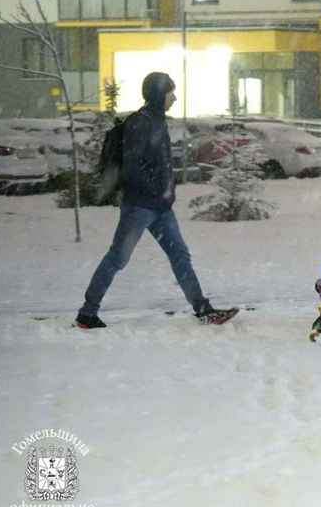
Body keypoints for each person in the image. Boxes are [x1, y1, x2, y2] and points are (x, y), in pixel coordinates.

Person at [74, 72, 236, 329]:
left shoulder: (158, 121)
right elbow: (133, 167)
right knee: (118, 258)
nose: (174, 97)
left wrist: (166, 192)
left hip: (160, 207)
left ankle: (202, 308)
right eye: (170, 92)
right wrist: (157, 191)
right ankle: (87, 313)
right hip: (139, 206)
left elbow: (158, 164)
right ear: (159, 95)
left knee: (180, 255)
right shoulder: (141, 123)